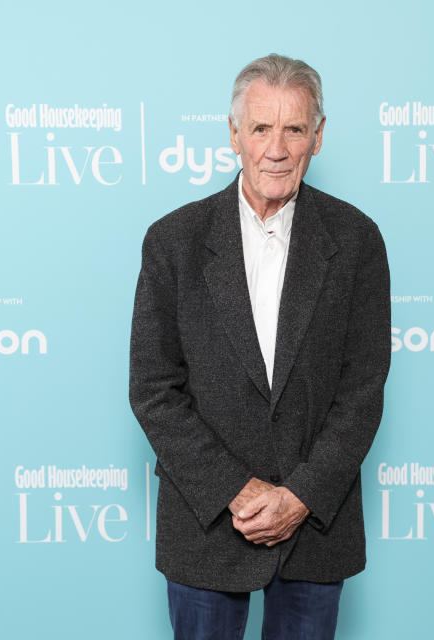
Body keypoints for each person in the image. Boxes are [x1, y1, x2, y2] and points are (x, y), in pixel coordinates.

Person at [129, 53, 390, 639]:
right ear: (234, 135)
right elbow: (153, 390)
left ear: (317, 137)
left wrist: (300, 495)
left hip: (316, 526)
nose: (277, 147)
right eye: (261, 128)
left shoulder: (357, 241)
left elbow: (363, 388)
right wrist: (236, 491)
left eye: (294, 129)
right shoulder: (174, 241)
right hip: (207, 525)